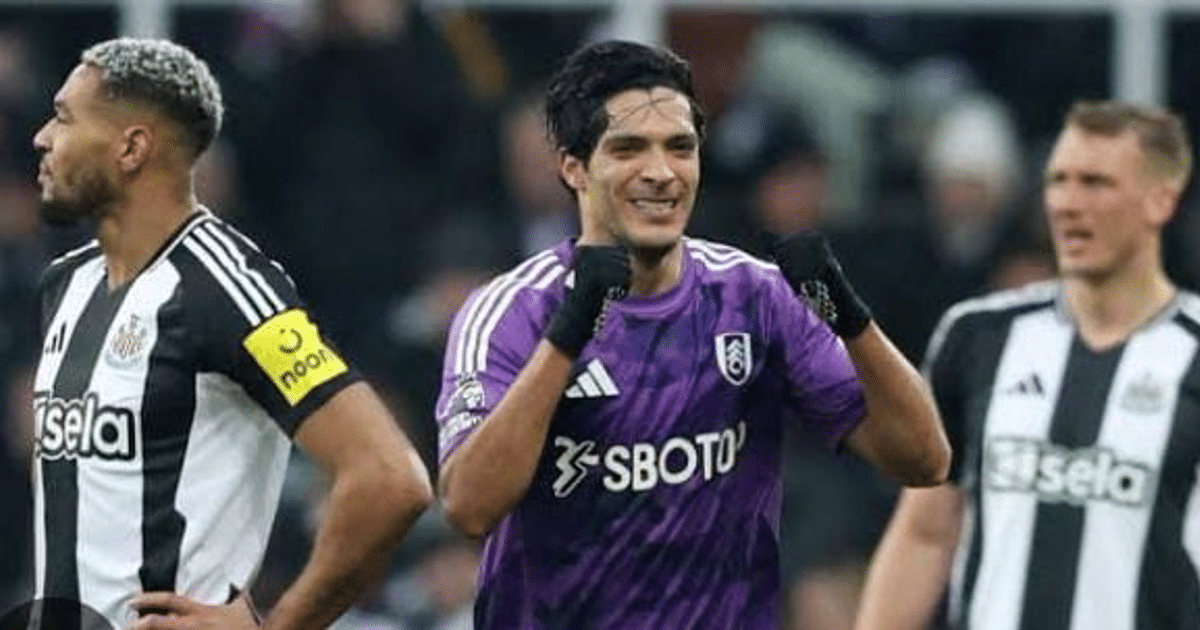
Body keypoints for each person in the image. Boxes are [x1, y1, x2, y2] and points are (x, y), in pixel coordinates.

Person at [434, 40, 950, 629]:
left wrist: (853, 322)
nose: (661, 172)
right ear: (572, 166)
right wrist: (566, 339)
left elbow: (925, 460)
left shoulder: (756, 296)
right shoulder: (511, 311)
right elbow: (469, 506)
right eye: (629, 148)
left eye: (680, 147)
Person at [28, 38, 432, 630]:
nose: (42, 136)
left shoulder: (228, 290)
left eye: (63, 116)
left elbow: (391, 479)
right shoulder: (67, 282)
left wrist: (273, 623)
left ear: (132, 147)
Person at [855, 100, 1200, 630]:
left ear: (1161, 199)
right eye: (1057, 181)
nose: (1066, 202)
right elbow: (926, 532)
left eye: (1095, 182)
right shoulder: (978, 336)